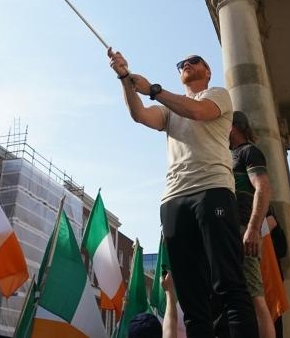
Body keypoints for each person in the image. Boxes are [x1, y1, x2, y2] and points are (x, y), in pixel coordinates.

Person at [109, 48, 257, 338]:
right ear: (179, 74)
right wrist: (125, 78)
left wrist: (153, 89)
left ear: (208, 71)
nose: (187, 64)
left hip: (213, 192)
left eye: (194, 60)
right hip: (175, 199)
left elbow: (198, 112)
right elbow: (139, 115)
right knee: (190, 296)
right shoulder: (168, 109)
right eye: (182, 63)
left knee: (228, 283)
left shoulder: (217, 95)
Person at [229, 110, 276, 338]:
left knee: (256, 298)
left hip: (243, 231)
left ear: (232, 127)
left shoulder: (248, 152)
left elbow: (263, 188)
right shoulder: (227, 155)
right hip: (228, 233)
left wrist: (252, 228)